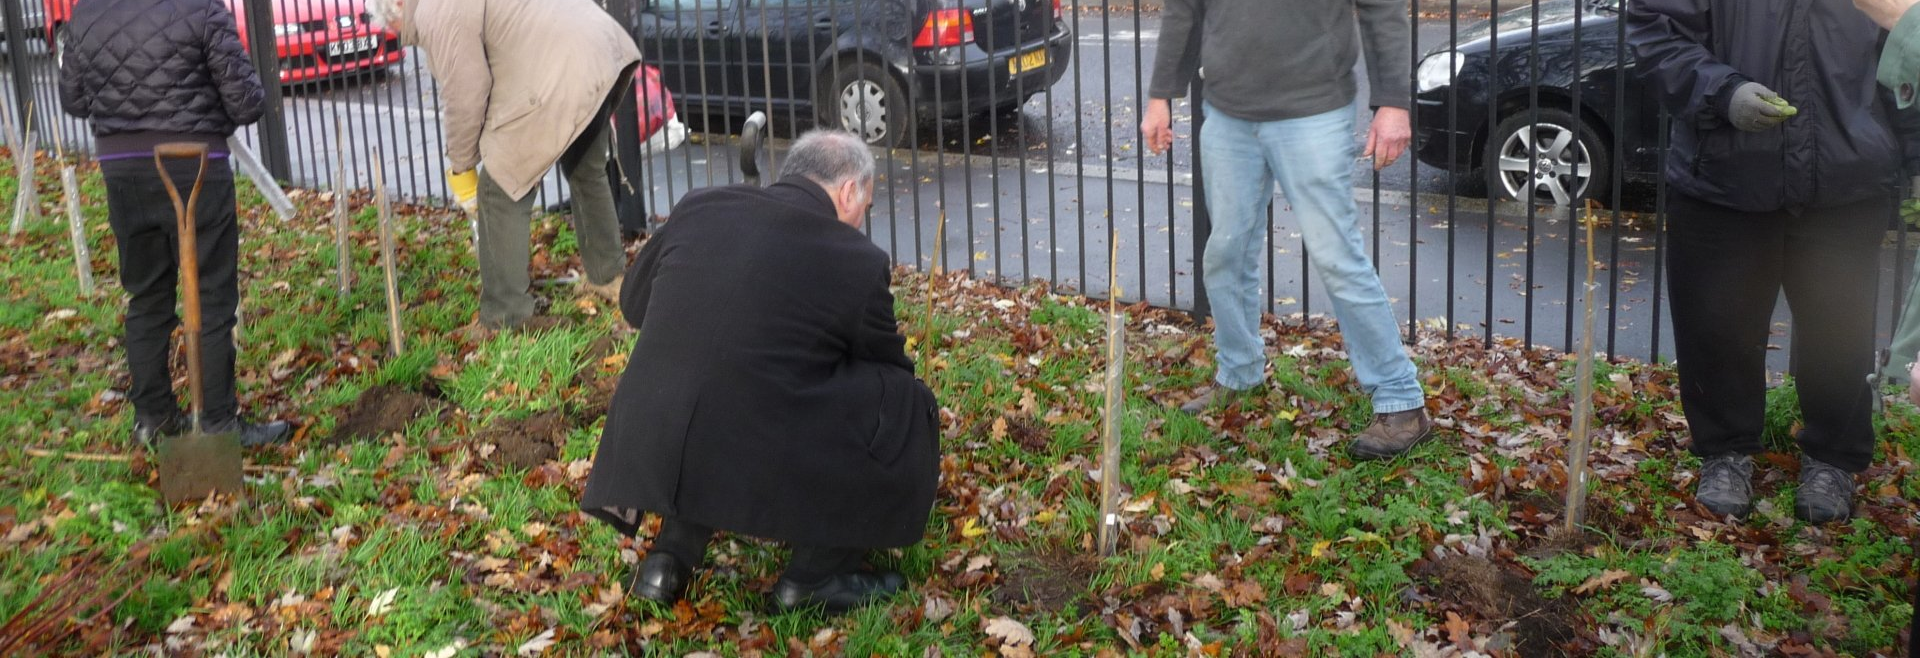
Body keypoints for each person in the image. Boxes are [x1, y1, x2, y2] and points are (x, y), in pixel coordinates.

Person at [579, 130, 939, 613]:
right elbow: (886, 365)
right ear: (849, 191)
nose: (861, 220)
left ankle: (667, 561)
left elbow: (635, 305)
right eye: (866, 206)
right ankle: (815, 578)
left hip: (652, 425)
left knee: (711, 383)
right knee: (903, 401)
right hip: (751, 441)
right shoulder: (855, 258)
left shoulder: (699, 205)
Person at [1629, 0, 1920, 523]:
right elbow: (1657, 33)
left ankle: (1832, 457)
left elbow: (1909, 47)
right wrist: (1723, 91)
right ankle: (1724, 451)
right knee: (1717, 328)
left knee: (1839, 331)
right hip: (1723, 172)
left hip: (1846, 179)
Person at [1140, 0, 1432, 459]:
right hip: (1228, 113)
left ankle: (1401, 401)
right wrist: (1161, 94)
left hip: (1313, 113)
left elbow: (1382, 9)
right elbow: (1183, 9)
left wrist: (1393, 102)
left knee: (1336, 255)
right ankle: (1239, 371)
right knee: (1225, 254)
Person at [58, 0, 291, 448]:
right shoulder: (201, 8)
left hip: (123, 170)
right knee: (211, 296)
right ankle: (220, 422)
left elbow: (73, 100)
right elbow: (246, 103)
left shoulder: (87, 12)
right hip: (194, 164)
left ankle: (154, 418)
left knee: (145, 295)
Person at [366, 0, 639, 337]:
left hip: (559, 66)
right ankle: (608, 276)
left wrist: (462, 167)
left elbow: (467, 91)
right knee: (586, 170)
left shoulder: (434, 10)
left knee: (499, 193)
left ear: (397, 4)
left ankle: (504, 316)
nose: (397, 35)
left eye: (390, 25)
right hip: (600, 47)